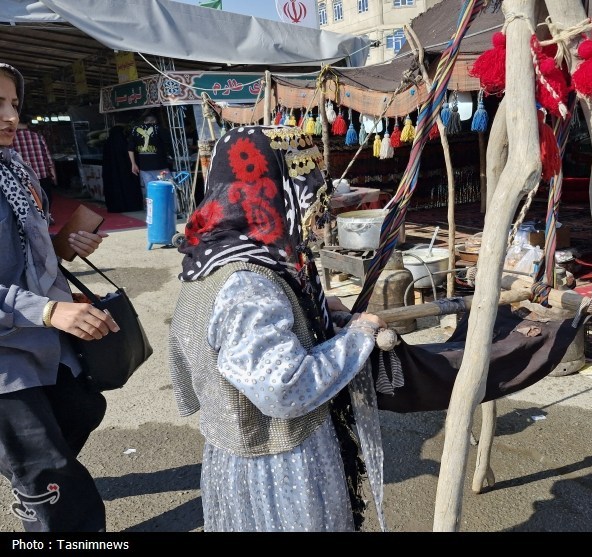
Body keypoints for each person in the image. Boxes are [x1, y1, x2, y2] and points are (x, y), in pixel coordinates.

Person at [168, 124, 389, 532]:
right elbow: (285, 388)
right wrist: (359, 337)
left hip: (241, 451)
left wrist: (315, 313)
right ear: (274, 192)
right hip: (278, 464)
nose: (315, 212)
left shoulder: (213, 254)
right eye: (307, 195)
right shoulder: (248, 284)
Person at [0, 63, 119, 532]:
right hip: (8, 365)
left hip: (45, 343)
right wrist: (48, 310)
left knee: (84, 408)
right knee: (57, 487)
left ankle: (26, 468)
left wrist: (67, 243)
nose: (10, 117)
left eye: (13, 104)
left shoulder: (15, 171)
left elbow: (29, 252)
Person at [127, 110, 173, 203]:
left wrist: (133, 164)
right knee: (168, 187)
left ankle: (154, 210)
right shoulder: (159, 129)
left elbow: (130, 148)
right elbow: (168, 143)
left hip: (144, 167)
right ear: (155, 122)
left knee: (151, 191)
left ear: (145, 122)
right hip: (160, 165)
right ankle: (171, 208)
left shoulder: (135, 130)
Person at [12, 114, 57, 206]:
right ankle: (46, 217)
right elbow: (48, 158)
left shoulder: (10, 139)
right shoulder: (38, 136)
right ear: (28, 123)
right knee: (45, 201)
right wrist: (53, 176)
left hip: (21, 177)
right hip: (41, 175)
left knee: (28, 204)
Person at [102, 124, 143, 212]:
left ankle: (116, 207)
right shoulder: (125, 144)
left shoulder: (107, 144)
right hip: (126, 173)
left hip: (112, 175)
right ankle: (131, 205)